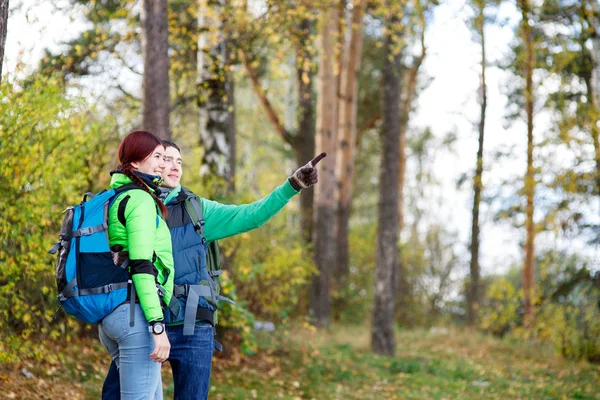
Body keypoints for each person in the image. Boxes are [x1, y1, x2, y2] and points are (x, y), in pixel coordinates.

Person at [103, 140, 326, 400]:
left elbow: (252, 215)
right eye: (165, 159)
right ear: (151, 164)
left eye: (179, 161)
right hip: (143, 320)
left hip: (193, 324)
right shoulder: (132, 202)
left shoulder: (198, 209)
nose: (173, 166)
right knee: (115, 395)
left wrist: (292, 186)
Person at [99, 130, 175, 400]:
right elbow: (142, 265)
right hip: (135, 317)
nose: (163, 164)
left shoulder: (118, 195)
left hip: (118, 311)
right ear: (134, 163)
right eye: (156, 157)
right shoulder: (140, 200)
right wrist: (157, 326)